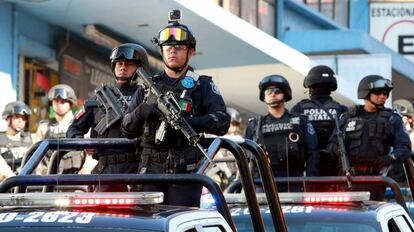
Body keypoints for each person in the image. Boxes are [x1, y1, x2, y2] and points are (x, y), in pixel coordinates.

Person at [121, 15, 230, 207]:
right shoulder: (147, 86)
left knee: (183, 221)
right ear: (161, 51)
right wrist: (142, 111)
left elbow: (221, 121)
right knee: (147, 223)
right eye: (168, 47)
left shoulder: (202, 84)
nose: (173, 51)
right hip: (149, 170)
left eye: (179, 47)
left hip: (184, 171)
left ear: (191, 52)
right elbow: (127, 128)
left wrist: (187, 123)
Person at [67, 43, 149, 191]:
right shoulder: (100, 98)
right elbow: (73, 129)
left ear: (140, 68)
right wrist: (83, 144)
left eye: (129, 64)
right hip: (106, 170)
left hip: (137, 169)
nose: (123, 67)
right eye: (119, 63)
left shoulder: (147, 96)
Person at [328, 75, 411, 199]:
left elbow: (404, 148)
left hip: (376, 180)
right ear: (366, 94)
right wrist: (338, 152)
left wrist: (389, 158)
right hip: (347, 179)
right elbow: (332, 145)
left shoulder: (392, 118)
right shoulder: (347, 117)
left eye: (385, 93)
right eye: (378, 93)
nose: (383, 96)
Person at [244, 75, 318, 191]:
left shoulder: (301, 121)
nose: (272, 94)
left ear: (285, 94)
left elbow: (313, 153)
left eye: (277, 91)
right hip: (262, 182)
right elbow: (245, 157)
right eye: (268, 91)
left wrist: (310, 181)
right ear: (263, 96)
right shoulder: (254, 125)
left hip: (294, 182)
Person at [291, 65, 348, 176]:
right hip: (336, 168)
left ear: (310, 85)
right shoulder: (342, 110)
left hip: (307, 166)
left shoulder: (299, 109)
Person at [35, 84, 85, 174]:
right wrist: (43, 172)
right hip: (50, 181)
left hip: (76, 181)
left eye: (63, 101)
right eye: (56, 101)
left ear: (70, 103)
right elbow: (35, 157)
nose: (59, 104)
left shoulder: (81, 124)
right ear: (51, 103)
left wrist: (84, 173)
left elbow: (91, 155)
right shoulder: (44, 128)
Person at [206, 107, 242, 189]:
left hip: (234, 179)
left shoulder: (238, 140)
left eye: (236, 124)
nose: (234, 127)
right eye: (232, 123)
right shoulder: (212, 139)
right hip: (215, 177)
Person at [0, 101, 32, 179]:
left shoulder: (30, 139)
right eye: (17, 117)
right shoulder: (1, 138)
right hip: (5, 185)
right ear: (7, 119)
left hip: (27, 185)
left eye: (23, 118)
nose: (20, 121)